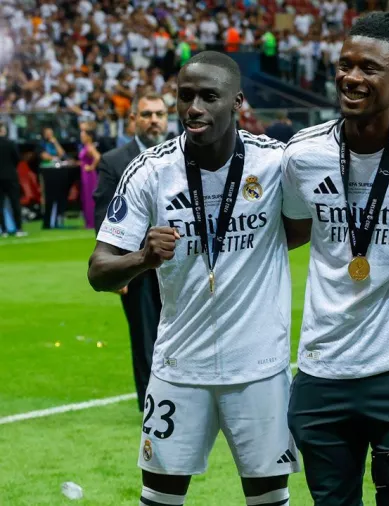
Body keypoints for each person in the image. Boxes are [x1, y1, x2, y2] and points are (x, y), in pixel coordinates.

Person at [87, 51, 300, 506]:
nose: (194, 108)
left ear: (237, 102)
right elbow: (98, 271)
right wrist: (144, 257)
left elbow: (314, 223)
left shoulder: (276, 163)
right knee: (160, 497)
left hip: (259, 369)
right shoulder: (150, 171)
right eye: (185, 96)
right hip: (178, 368)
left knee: (268, 497)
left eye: (209, 96)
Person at [281, 12, 389, 506]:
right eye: (345, 65)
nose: (352, 77)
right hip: (320, 372)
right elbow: (291, 232)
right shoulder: (302, 155)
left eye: (369, 68)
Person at [92, 92, 169, 411]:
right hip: (136, 265)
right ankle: (152, 405)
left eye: (160, 114)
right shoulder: (114, 161)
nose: (154, 120)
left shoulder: (182, 155)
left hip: (179, 262)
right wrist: (116, 264)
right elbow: (104, 213)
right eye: (147, 114)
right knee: (144, 334)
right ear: (133, 120)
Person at [0, 123, 25, 237]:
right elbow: (17, 159)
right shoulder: (10, 143)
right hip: (11, 176)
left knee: (0, 204)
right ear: (3, 131)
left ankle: (3, 230)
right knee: (15, 202)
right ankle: (18, 229)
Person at [78, 124, 101, 230]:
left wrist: (91, 167)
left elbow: (97, 157)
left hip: (89, 176)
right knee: (85, 198)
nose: (81, 138)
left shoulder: (90, 147)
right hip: (84, 175)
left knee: (90, 198)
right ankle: (88, 221)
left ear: (88, 137)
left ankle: (92, 222)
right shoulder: (86, 147)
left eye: (83, 136)